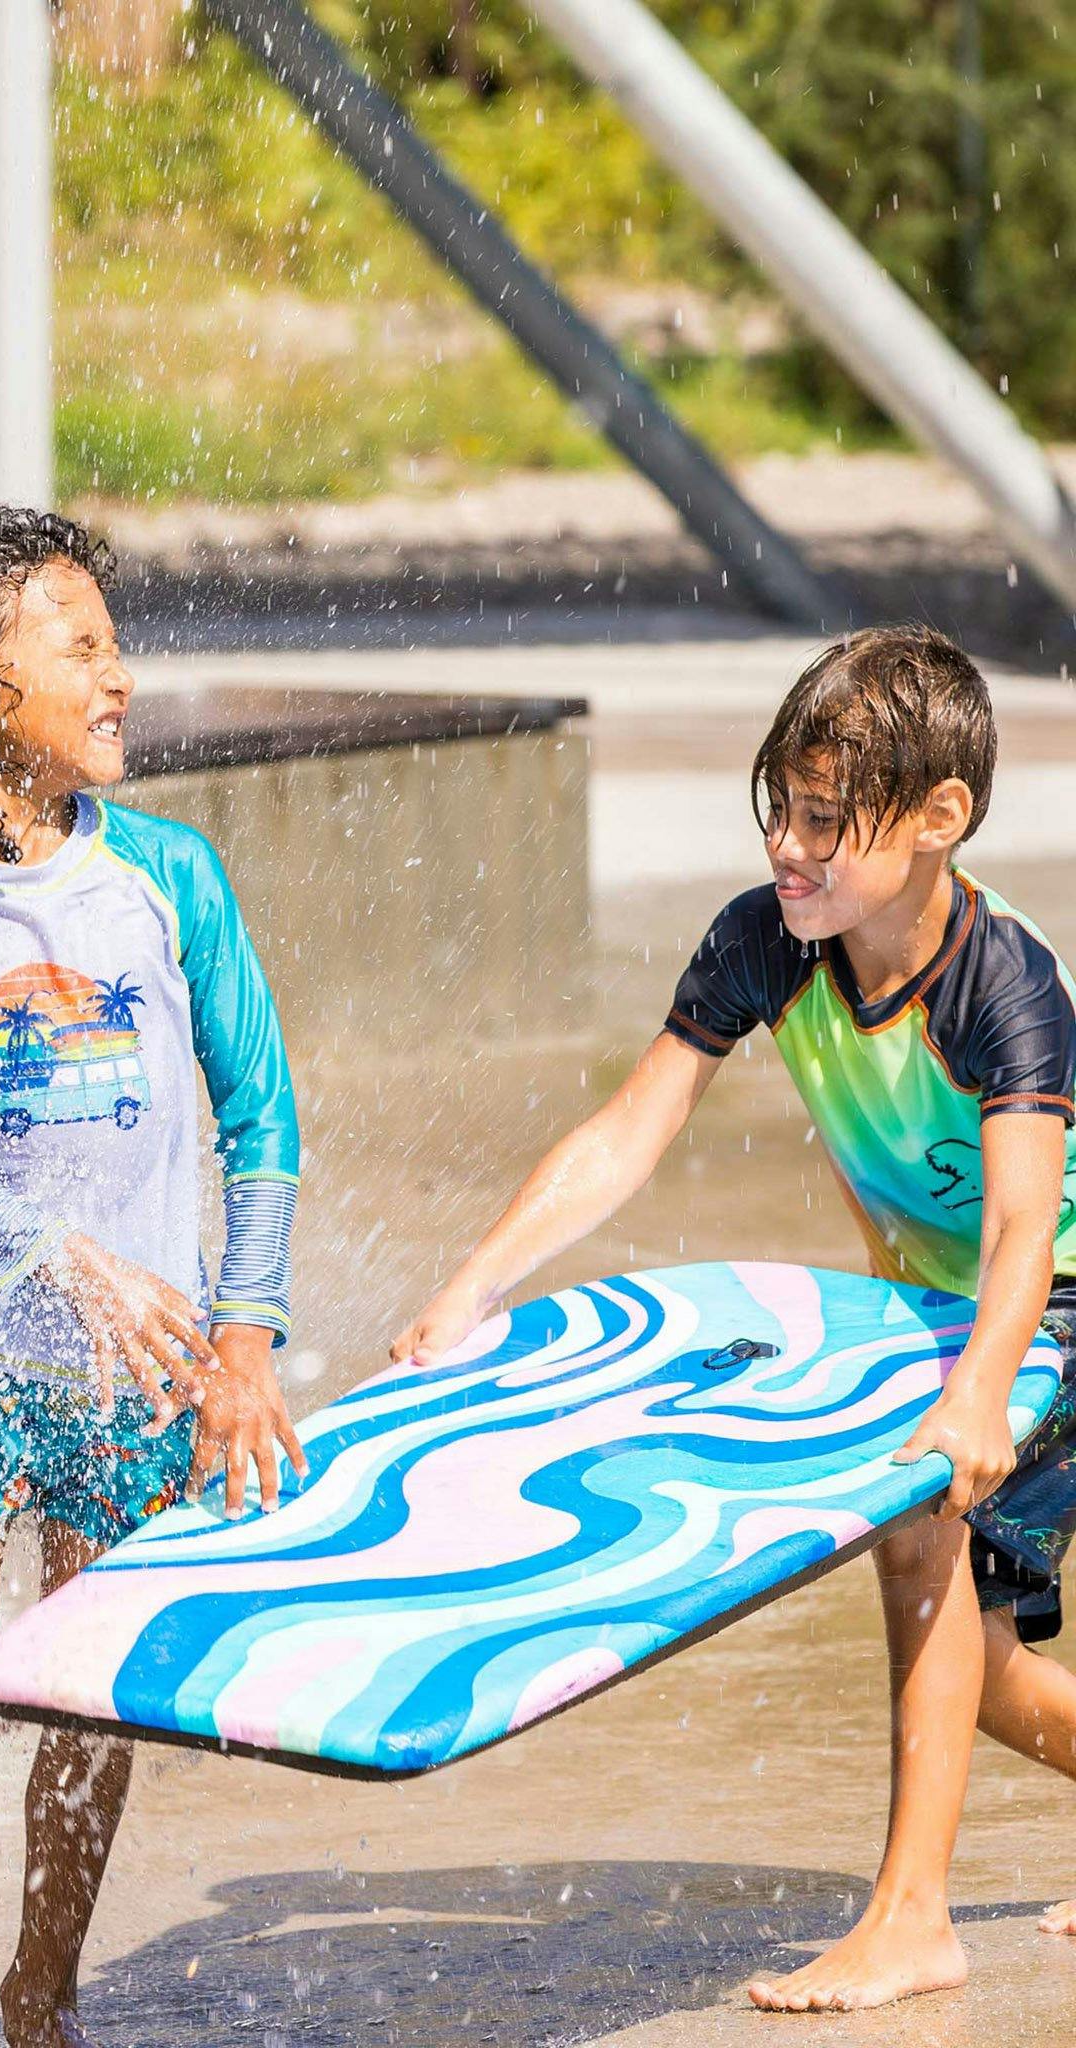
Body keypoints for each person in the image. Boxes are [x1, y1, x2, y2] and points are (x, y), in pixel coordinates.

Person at [393, 624, 1076, 2014]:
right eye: (781, 812)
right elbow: (631, 1129)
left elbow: (1019, 1226)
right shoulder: (770, 943)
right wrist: (477, 1281)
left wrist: (979, 1394)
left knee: (916, 1528)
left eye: (828, 822)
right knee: (991, 1683)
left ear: (943, 819)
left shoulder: (1005, 987)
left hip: (1044, 1294)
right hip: (952, 1308)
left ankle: (912, 1919)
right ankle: (914, 1904)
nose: (791, 849)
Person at [0, 507, 306, 2047]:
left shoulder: (169, 875)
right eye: (77, 645)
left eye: (115, 642)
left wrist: (245, 1336)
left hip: (139, 1359)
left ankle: (42, 1982)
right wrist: (49, 1254)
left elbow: (263, 1116)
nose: (120, 676)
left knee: (85, 1684)